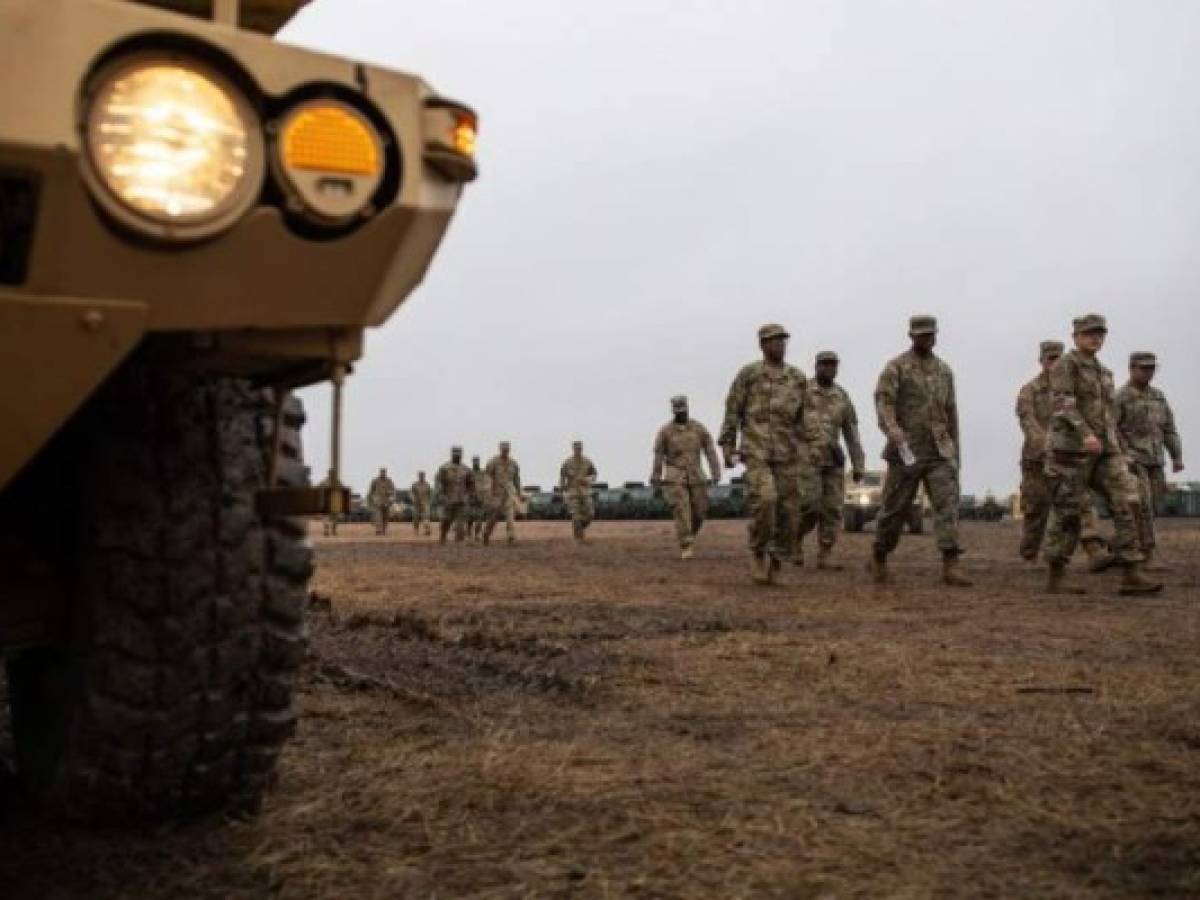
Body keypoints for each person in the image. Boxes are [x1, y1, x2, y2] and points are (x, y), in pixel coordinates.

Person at [1043, 315, 1160, 594]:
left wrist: (1116, 447)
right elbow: (1063, 404)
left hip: (1105, 451)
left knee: (1128, 498)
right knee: (1068, 512)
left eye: (1099, 334)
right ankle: (1056, 574)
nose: (1095, 338)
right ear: (1076, 336)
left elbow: (1109, 416)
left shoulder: (1104, 372)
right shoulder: (1065, 365)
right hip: (1070, 451)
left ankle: (1132, 570)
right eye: (1088, 333)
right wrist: (1085, 434)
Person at [871, 315, 971, 586]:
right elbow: (884, 403)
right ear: (912, 336)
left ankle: (951, 563)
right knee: (895, 509)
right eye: (923, 334)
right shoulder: (896, 368)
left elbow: (951, 413)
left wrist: (956, 453)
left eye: (932, 334)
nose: (928, 339)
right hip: (907, 451)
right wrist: (893, 430)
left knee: (947, 505)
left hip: (940, 452)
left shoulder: (944, 371)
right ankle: (880, 555)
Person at [719, 324, 821, 584]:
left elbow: (807, 417)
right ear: (763, 345)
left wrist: (815, 447)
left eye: (783, 341)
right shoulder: (749, 375)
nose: (780, 345)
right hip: (756, 450)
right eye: (774, 341)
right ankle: (758, 552)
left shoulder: (797, 378)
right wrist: (728, 446)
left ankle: (777, 561)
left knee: (790, 511)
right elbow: (733, 410)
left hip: (788, 452)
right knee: (765, 501)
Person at [1116, 351, 1185, 571]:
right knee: (1141, 506)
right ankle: (1147, 553)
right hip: (1133, 461)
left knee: (1153, 507)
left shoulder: (1158, 397)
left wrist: (1177, 456)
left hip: (1156, 461)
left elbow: (1169, 429)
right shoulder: (1121, 397)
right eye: (1143, 368)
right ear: (1131, 368)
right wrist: (1123, 454)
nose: (1148, 372)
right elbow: (1111, 429)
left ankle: (1122, 547)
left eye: (1152, 368)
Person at [796, 351, 865, 570]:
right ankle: (794, 540)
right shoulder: (802, 391)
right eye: (824, 364)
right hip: (806, 458)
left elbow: (851, 432)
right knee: (809, 505)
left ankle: (826, 553)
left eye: (833, 365)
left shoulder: (841, 396)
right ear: (816, 366)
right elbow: (785, 422)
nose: (829, 369)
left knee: (832, 509)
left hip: (833, 460)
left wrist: (858, 463)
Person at [652, 395, 721, 560]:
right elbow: (658, 455)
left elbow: (710, 450)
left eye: (683, 410)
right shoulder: (665, 431)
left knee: (699, 511)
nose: (680, 413)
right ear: (673, 411)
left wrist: (715, 471)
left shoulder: (699, 429)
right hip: (675, 476)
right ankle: (686, 544)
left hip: (696, 475)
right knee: (682, 510)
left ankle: (689, 534)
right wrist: (656, 475)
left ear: (687, 409)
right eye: (677, 411)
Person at [1015, 340, 1063, 561]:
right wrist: (1045, 445)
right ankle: (1029, 552)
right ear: (1041, 360)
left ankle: (1058, 556)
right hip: (1037, 459)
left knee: (1071, 507)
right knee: (1036, 506)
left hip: (1067, 458)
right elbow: (1028, 421)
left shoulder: (1070, 391)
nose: (1055, 363)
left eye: (1058, 358)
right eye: (1050, 358)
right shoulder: (1029, 391)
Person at [483, 441, 522, 545]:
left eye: (507, 449)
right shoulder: (493, 462)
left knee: (510, 517)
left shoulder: (513, 463)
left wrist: (519, 492)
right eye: (503, 448)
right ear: (500, 449)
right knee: (493, 518)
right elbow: (487, 477)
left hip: (509, 494)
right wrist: (488, 491)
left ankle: (511, 538)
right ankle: (486, 534)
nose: (505, 450)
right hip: (496, 495)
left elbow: (516, 479)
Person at [560, 440, 598, 542]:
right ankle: (578, 538)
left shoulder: (587, 462)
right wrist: (563, 491)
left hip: (585, 492)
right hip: (572, 493)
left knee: (590, 514)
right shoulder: (567, 463)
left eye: (579, 448)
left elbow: (594, 474)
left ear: (582, 449)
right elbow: (562, 477)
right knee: (576, 516)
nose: (578, 450)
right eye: (576, 448)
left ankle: (580, 527)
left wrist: (588, 479)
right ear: (573, 449)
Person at [434, 447, 473, 544]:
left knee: (461, 524)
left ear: (462, 454)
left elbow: (471, 484)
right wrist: (440, 495)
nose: (457, 455)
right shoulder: (444, 468)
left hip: (461, 500)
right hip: (448, 499)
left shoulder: (466, 469)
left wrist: (469, 495)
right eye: (455, 453)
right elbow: (438, 482)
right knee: (446, 521)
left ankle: (459, 543)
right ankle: (443, 537)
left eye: (459, 453)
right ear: (451, 454)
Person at [467, 455, 490, 542]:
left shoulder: (483, 473)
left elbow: (487, 484)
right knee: (470, 519)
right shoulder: (469, 473)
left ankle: (477, 535)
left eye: (477, 461)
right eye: (474, 461)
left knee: (479, 518)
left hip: (481, 499)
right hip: (470, 499)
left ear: (479, 462)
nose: (476, 462)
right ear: (472, 462)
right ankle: (469, 534)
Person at [366, 467, 396, 536]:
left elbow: (393, 490)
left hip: (386, 501)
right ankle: (378, 530)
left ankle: (384, 529)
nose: (383, 473)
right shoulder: (375, 481)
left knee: (385, 516)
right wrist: (370, 501)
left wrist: (391, 496)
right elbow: (371, 491)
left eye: (384, 472)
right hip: (377, 501)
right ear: (380, 472)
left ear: (386, 473)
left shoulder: (389, 481)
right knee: (378, 516)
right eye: (382, 472)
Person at [318, 468, 339, 536]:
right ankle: (328, 531)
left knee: (333, 518)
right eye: (332, 473)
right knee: (327, 517)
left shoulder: (336, 482)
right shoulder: (327, 482)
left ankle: (332, 530)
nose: (332, 474)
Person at [410, 471, 432, 536]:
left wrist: (429, 501)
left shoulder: (427, 485)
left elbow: (430, 494)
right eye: (420, 475)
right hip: (416, 504)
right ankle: (416, 530)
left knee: (426, 517)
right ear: (418, 476)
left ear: (424, 476)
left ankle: (427, 530)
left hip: (425, 503)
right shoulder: (414, 484)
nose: (421, 477)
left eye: (422, 475)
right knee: (415, 517)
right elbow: (411, 493)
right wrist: (413, 498)